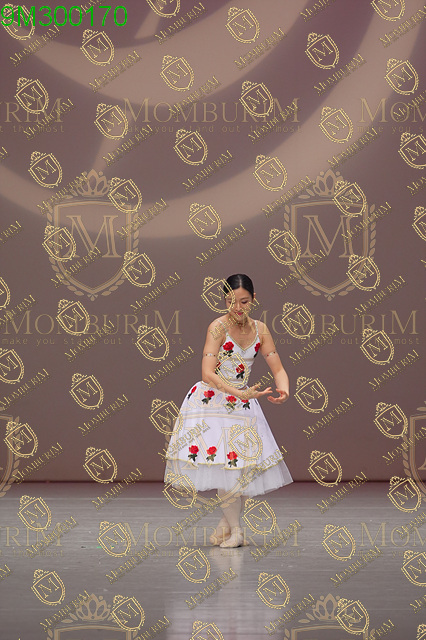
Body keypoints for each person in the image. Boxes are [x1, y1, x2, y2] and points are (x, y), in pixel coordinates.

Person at [164, 274, 293, 548]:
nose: (238, 307)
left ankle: (226, 524)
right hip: (213, 403)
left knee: (242, 469)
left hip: (243, 403)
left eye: (244, 301)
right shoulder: (217, 327)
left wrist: (284, 389)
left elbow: (278, 367)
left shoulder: (261, 330)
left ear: (254, 299)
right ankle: (236, 531)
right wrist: (237, 392)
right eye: (231, 302)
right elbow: (207, 373)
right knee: (227, 467)